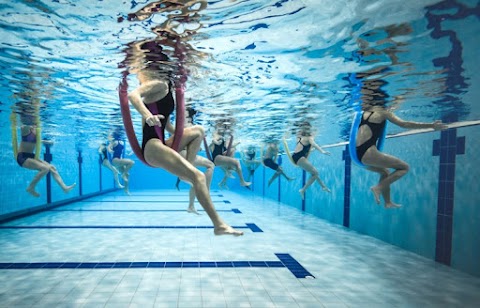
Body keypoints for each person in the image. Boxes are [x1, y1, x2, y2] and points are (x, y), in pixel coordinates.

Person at [126, 37, 243, 236]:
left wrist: (178, 133)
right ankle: (219, 225)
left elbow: (169, 125)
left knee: (198, 130)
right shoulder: (159, 83)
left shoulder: (169, 87)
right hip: (152, 147)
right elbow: (132, 96)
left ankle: (184, 169)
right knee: (198, 176)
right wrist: (147, 116)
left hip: (162, 140)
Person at [355, 105, 446, 208]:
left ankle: (388, 202)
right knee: (404, 167)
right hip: (368, 152)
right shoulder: (384, 112)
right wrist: (432, 126)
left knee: (385, 172)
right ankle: (378, 187)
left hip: (356, 154)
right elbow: (405, 124)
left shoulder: (365, 112)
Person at [15, 123, 76, 197]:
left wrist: (46, 142)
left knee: (52, 168)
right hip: (22, 157)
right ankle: (31, 187)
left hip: (31, 156)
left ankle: (64, 188)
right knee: (45, 168)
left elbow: (35, 140)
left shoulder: (36, 129)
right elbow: (24, 127)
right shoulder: (26, 130)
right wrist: (26, 123)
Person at [175, 107, 215, 215]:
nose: (187, 118)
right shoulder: (185, 125)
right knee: (209, 166)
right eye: (186, 116)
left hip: (184, 155)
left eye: (188, 116)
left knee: (196, 181)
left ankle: (191, 206)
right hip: (183, 154)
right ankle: (206, 192)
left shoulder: (186, 125)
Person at [284, 122, 331, 200]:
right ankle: (302, 190)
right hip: (300, 158)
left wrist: (289, 126)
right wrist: (322, 151)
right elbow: (314, 144)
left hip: (296, 157)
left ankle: (323, 186)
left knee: (313, 173)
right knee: (315, 173)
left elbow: (307, 143)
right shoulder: (309, 138)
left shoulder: (299, 136)